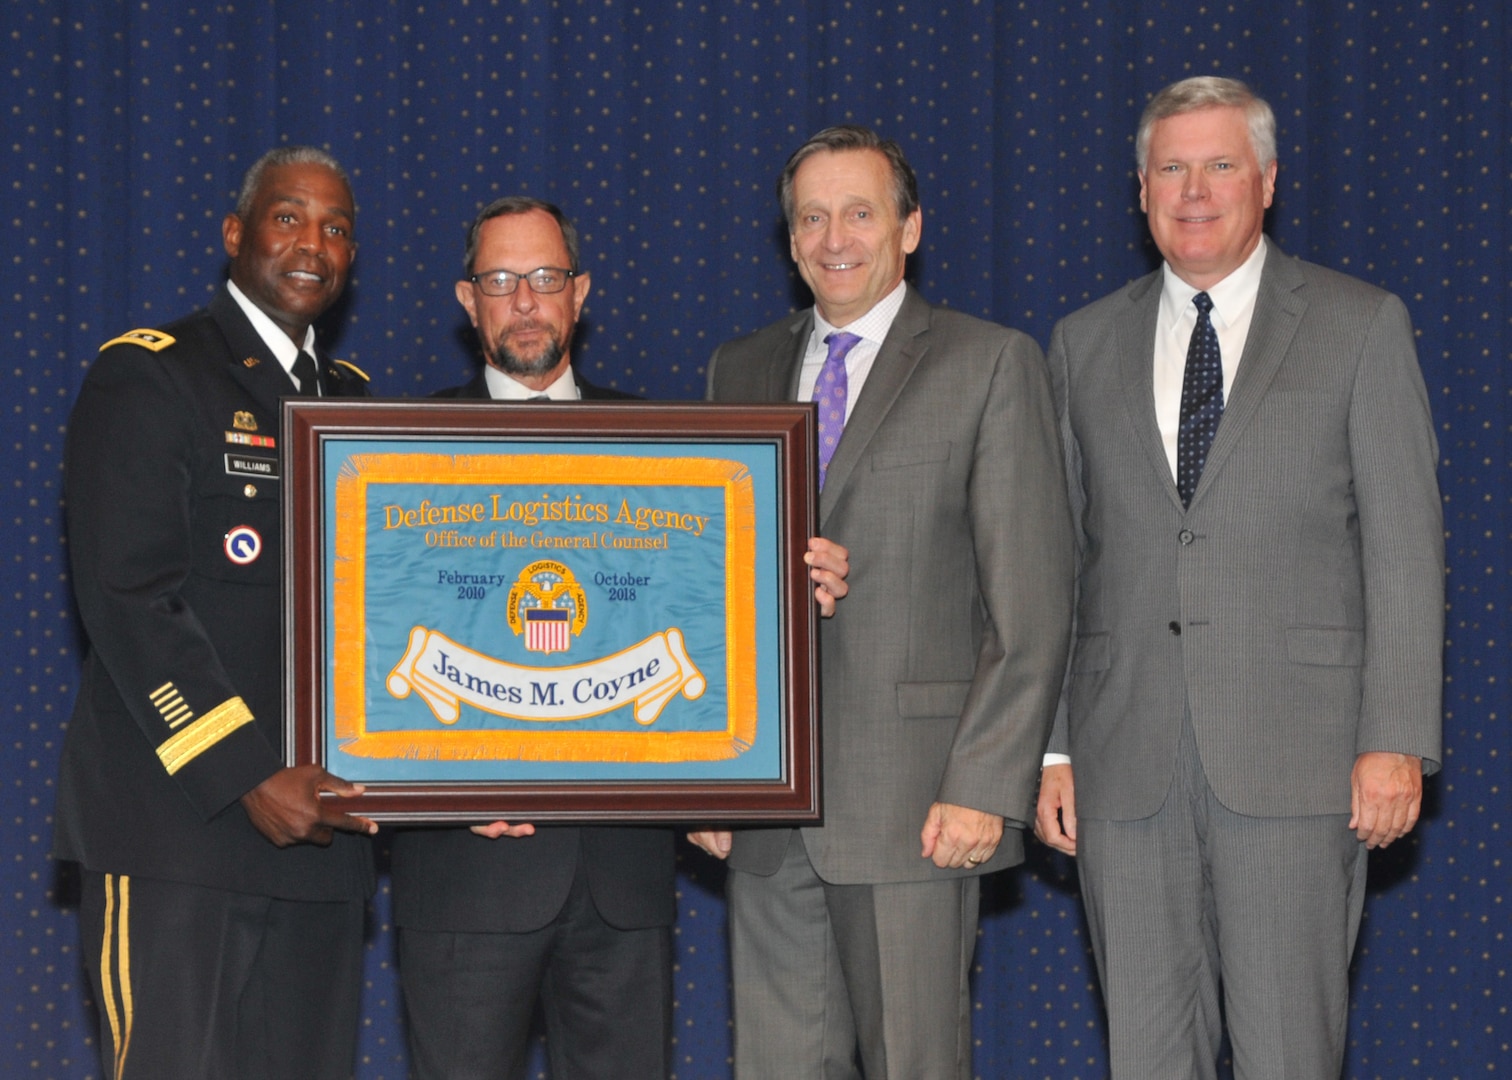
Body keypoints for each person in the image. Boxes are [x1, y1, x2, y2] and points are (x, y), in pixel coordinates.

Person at [1034, 76, 1444, 1078]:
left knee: (1289, 1056)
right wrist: (1048, 749)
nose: (1195, 188)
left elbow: (1404, 545)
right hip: (1123, 766)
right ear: (1140, 191)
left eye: (1220, 164)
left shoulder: (1360, 324)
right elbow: (1058, 558)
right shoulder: (1082, 344)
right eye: (1171, 167)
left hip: (1301, 765)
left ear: (1267, 180)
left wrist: (1395, 739)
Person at [386, 195, 851, 1080]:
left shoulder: (667, 448)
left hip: (623, 880)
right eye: (500, 280)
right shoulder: (397, 453)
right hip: (462, 877)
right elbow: (366, 660)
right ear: (467, 297)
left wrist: (795, 587)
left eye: (546, 278)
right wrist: (432, 784)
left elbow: (712, 629)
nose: (525, 299)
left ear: (581, 292)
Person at [690, 125, 1074, 1079]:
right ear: (788, 242)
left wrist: (987, 785)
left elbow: (1031, 604)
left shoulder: (990, 365)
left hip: (920, 809)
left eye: (860, 212)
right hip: (765, 818)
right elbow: (701, 586)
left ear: (909, 229)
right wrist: (704, 774)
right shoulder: (734, 371)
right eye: (811, 217)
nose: (834, 238)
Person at [57, 146, 377, 1079]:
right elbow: (127, 598)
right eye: (289, 218)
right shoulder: (151, 376)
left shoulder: (358, 405)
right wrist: (246, 772)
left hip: (321, 845)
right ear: (235, 234)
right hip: (177, 833)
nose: (313, 243)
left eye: (337, 228)